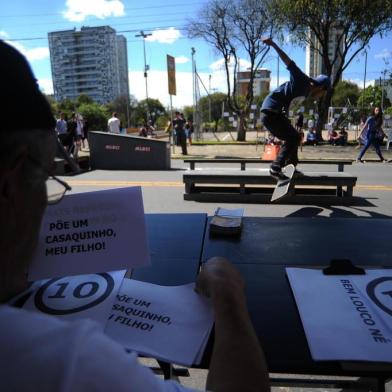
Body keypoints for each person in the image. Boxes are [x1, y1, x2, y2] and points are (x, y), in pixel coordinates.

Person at [0, 41, 269, 392]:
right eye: (43, 181)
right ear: (12, 184)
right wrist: (229, 299)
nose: (44, 205)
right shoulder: (68, 362)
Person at [260, 37, 330, 179]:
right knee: (293, 138)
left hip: (274, 113)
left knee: (295, 137)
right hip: (270, 111)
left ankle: (290, 165)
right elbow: (287, 61)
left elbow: (287, 101)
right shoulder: (302, 80)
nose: (321, 96)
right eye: (323, 93)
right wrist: (273, 44)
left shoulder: (306, 93)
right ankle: (275, 167)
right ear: (321, 87)